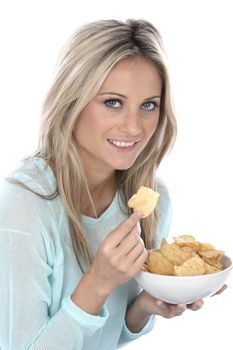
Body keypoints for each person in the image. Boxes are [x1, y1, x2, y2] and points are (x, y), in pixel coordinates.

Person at [0, 18, 225, 350]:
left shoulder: (152, 199)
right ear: (71, 103)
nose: (134, 128)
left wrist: (144, 306)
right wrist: (98, 283)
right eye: (113, 102)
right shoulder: (24, 209)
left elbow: (104, 336)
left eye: (148, 105)